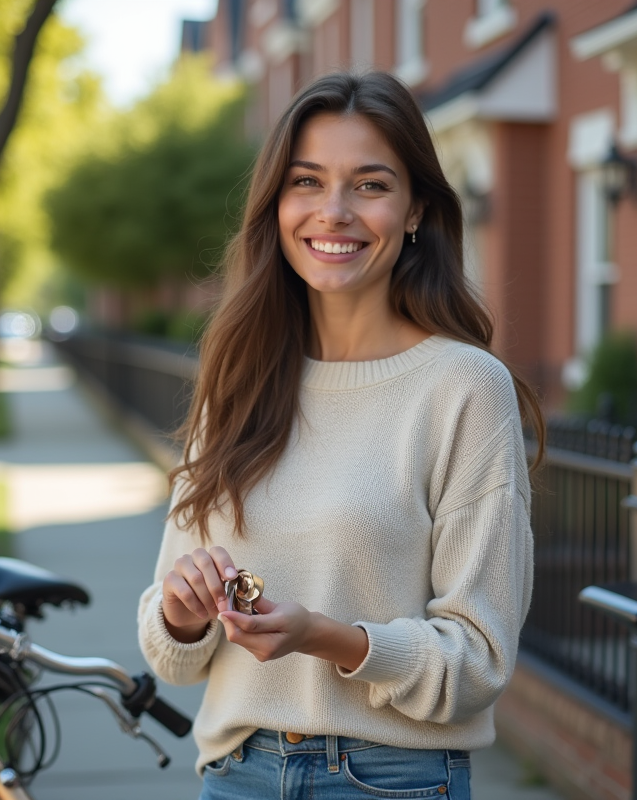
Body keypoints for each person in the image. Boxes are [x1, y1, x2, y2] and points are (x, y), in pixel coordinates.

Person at [137, 71, 543, 800]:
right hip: (236, 774)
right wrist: (182, 610)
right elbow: (171, 656)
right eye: (307, 181)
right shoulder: (239, 377)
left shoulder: (464, 388)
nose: (333, 212)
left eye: (370, 185)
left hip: (389, 780)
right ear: (278, 203)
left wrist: (326, 637)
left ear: (416, 209)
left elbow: (478, 662)